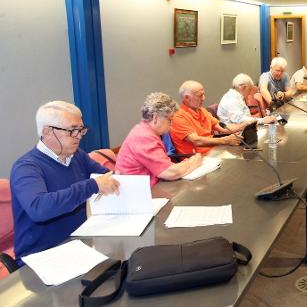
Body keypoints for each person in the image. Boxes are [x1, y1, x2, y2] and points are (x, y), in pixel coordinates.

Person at [10, 101, 120, 263]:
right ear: (47, 132)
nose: (79, 136)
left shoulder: (76, 155)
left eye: (81, 130)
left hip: (78, 244)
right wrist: (93, 185)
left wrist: (115, 179)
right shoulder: (26, 167)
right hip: (41, 257)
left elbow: (107, 176)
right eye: (72, 130)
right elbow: (39, 208)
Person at [116, 93, 203, 185]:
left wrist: (185, 164)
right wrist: (193, 162)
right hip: (140, 193)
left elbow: (164, 166)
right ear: (155, 117)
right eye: (170, 119)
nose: (171, 123)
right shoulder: (144, 137)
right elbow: (169, 172)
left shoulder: (144, 130)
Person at [169, 80, 240, 155]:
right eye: (200, 95)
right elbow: (196, 141)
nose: (203, 98)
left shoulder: (202, 110)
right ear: (187, 98)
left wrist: (244, 125)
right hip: (198, 158)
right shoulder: (178, 117)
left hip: (215, 151)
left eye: (203, 94)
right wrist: (225, 140)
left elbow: (223, 128)